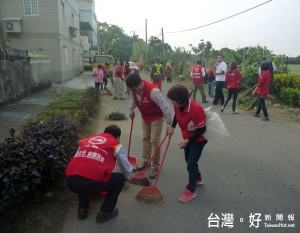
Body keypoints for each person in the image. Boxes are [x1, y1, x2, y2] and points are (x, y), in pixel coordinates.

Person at [65, 125, 133, 223]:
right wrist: (128, 177)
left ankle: (82, 209)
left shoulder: (87, 140)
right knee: (120, 179)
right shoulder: (116, 145)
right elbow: (126, 168)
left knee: (82, 171)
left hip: (71, 181)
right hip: (90, 184)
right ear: (117, 137)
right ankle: (106, 212)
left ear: (104, 132)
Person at [126, 73, 173, 179]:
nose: (133, 91)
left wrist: (169, 125)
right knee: (145, 138)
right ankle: (146, 161)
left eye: (134, 89)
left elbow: (166, 108)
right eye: (131, 89)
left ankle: (155, 166)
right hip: (145, 116)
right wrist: (131, 109)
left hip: (156, 117)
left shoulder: (154, 92)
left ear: (140, 84)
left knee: (155, 141)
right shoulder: (133, 90)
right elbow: (132, 99)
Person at [166, 84, 207, 203]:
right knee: (188, 159)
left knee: (191, 163)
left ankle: (191, 190)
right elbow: (176, 116)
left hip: (199, 139)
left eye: (174, 101)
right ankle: (198, 178)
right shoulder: (178, 105)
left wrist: (188, 141)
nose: (172, 103)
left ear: (182, 101)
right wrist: (172, 127)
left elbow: (202, 129)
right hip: (187, 137)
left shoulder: (195, 109)